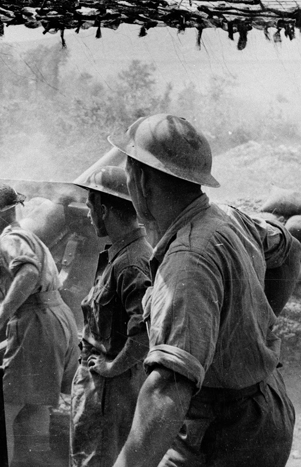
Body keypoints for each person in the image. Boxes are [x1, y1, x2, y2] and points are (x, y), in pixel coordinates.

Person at [111, 113, 301, 467]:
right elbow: (290, 251)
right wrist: (258, 326)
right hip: (263, 406)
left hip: (225, 430)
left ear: (141, 180)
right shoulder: (228, 216)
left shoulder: (187, 261)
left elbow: (168, 388)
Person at [0, 180, 79, 467]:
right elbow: (25, 294)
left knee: (2, 409)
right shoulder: (26, 237)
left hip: (35, 327)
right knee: (34, 405)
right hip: (53, 319)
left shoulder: (8, 240)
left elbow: (28, 274)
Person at [70, 164, 152, 467]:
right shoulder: (121, 254)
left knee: (96, 460)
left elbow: (144, 332)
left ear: (103, 209)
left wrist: (113, 367)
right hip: (105, 385)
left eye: (91, 206)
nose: (89, 215)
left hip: (110, 389)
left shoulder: (131, 263)